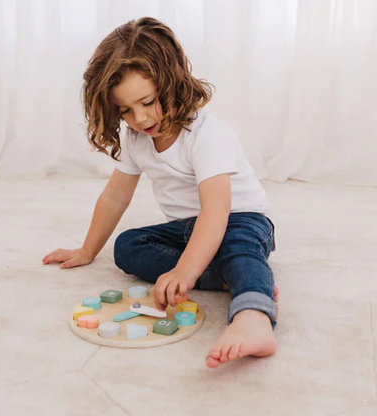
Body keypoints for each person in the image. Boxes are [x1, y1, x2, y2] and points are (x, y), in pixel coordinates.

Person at [43, 16, 279, 368]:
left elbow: (215, 213)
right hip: (187, 229)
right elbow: (115, 197)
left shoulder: (207, 135)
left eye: (148, 101)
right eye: (125, 110)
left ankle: (253, 315)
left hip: (239, 220)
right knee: (128, 247)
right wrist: (88, 249)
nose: (139, 118)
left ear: (172, 82)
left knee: (238, 246)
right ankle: (235, 273)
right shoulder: (137, 139)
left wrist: (184, 273)